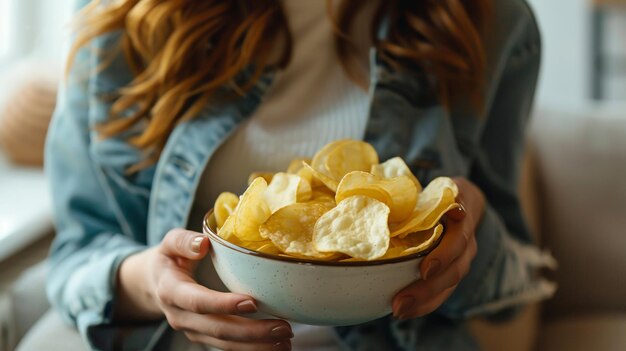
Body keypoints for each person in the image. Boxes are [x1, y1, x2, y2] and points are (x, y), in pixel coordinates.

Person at [27, 0, 555, 350]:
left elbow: (514, 285)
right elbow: (78, 254)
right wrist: (153, 285)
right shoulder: (128, 17)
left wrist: (470, 227)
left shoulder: (488, 18)